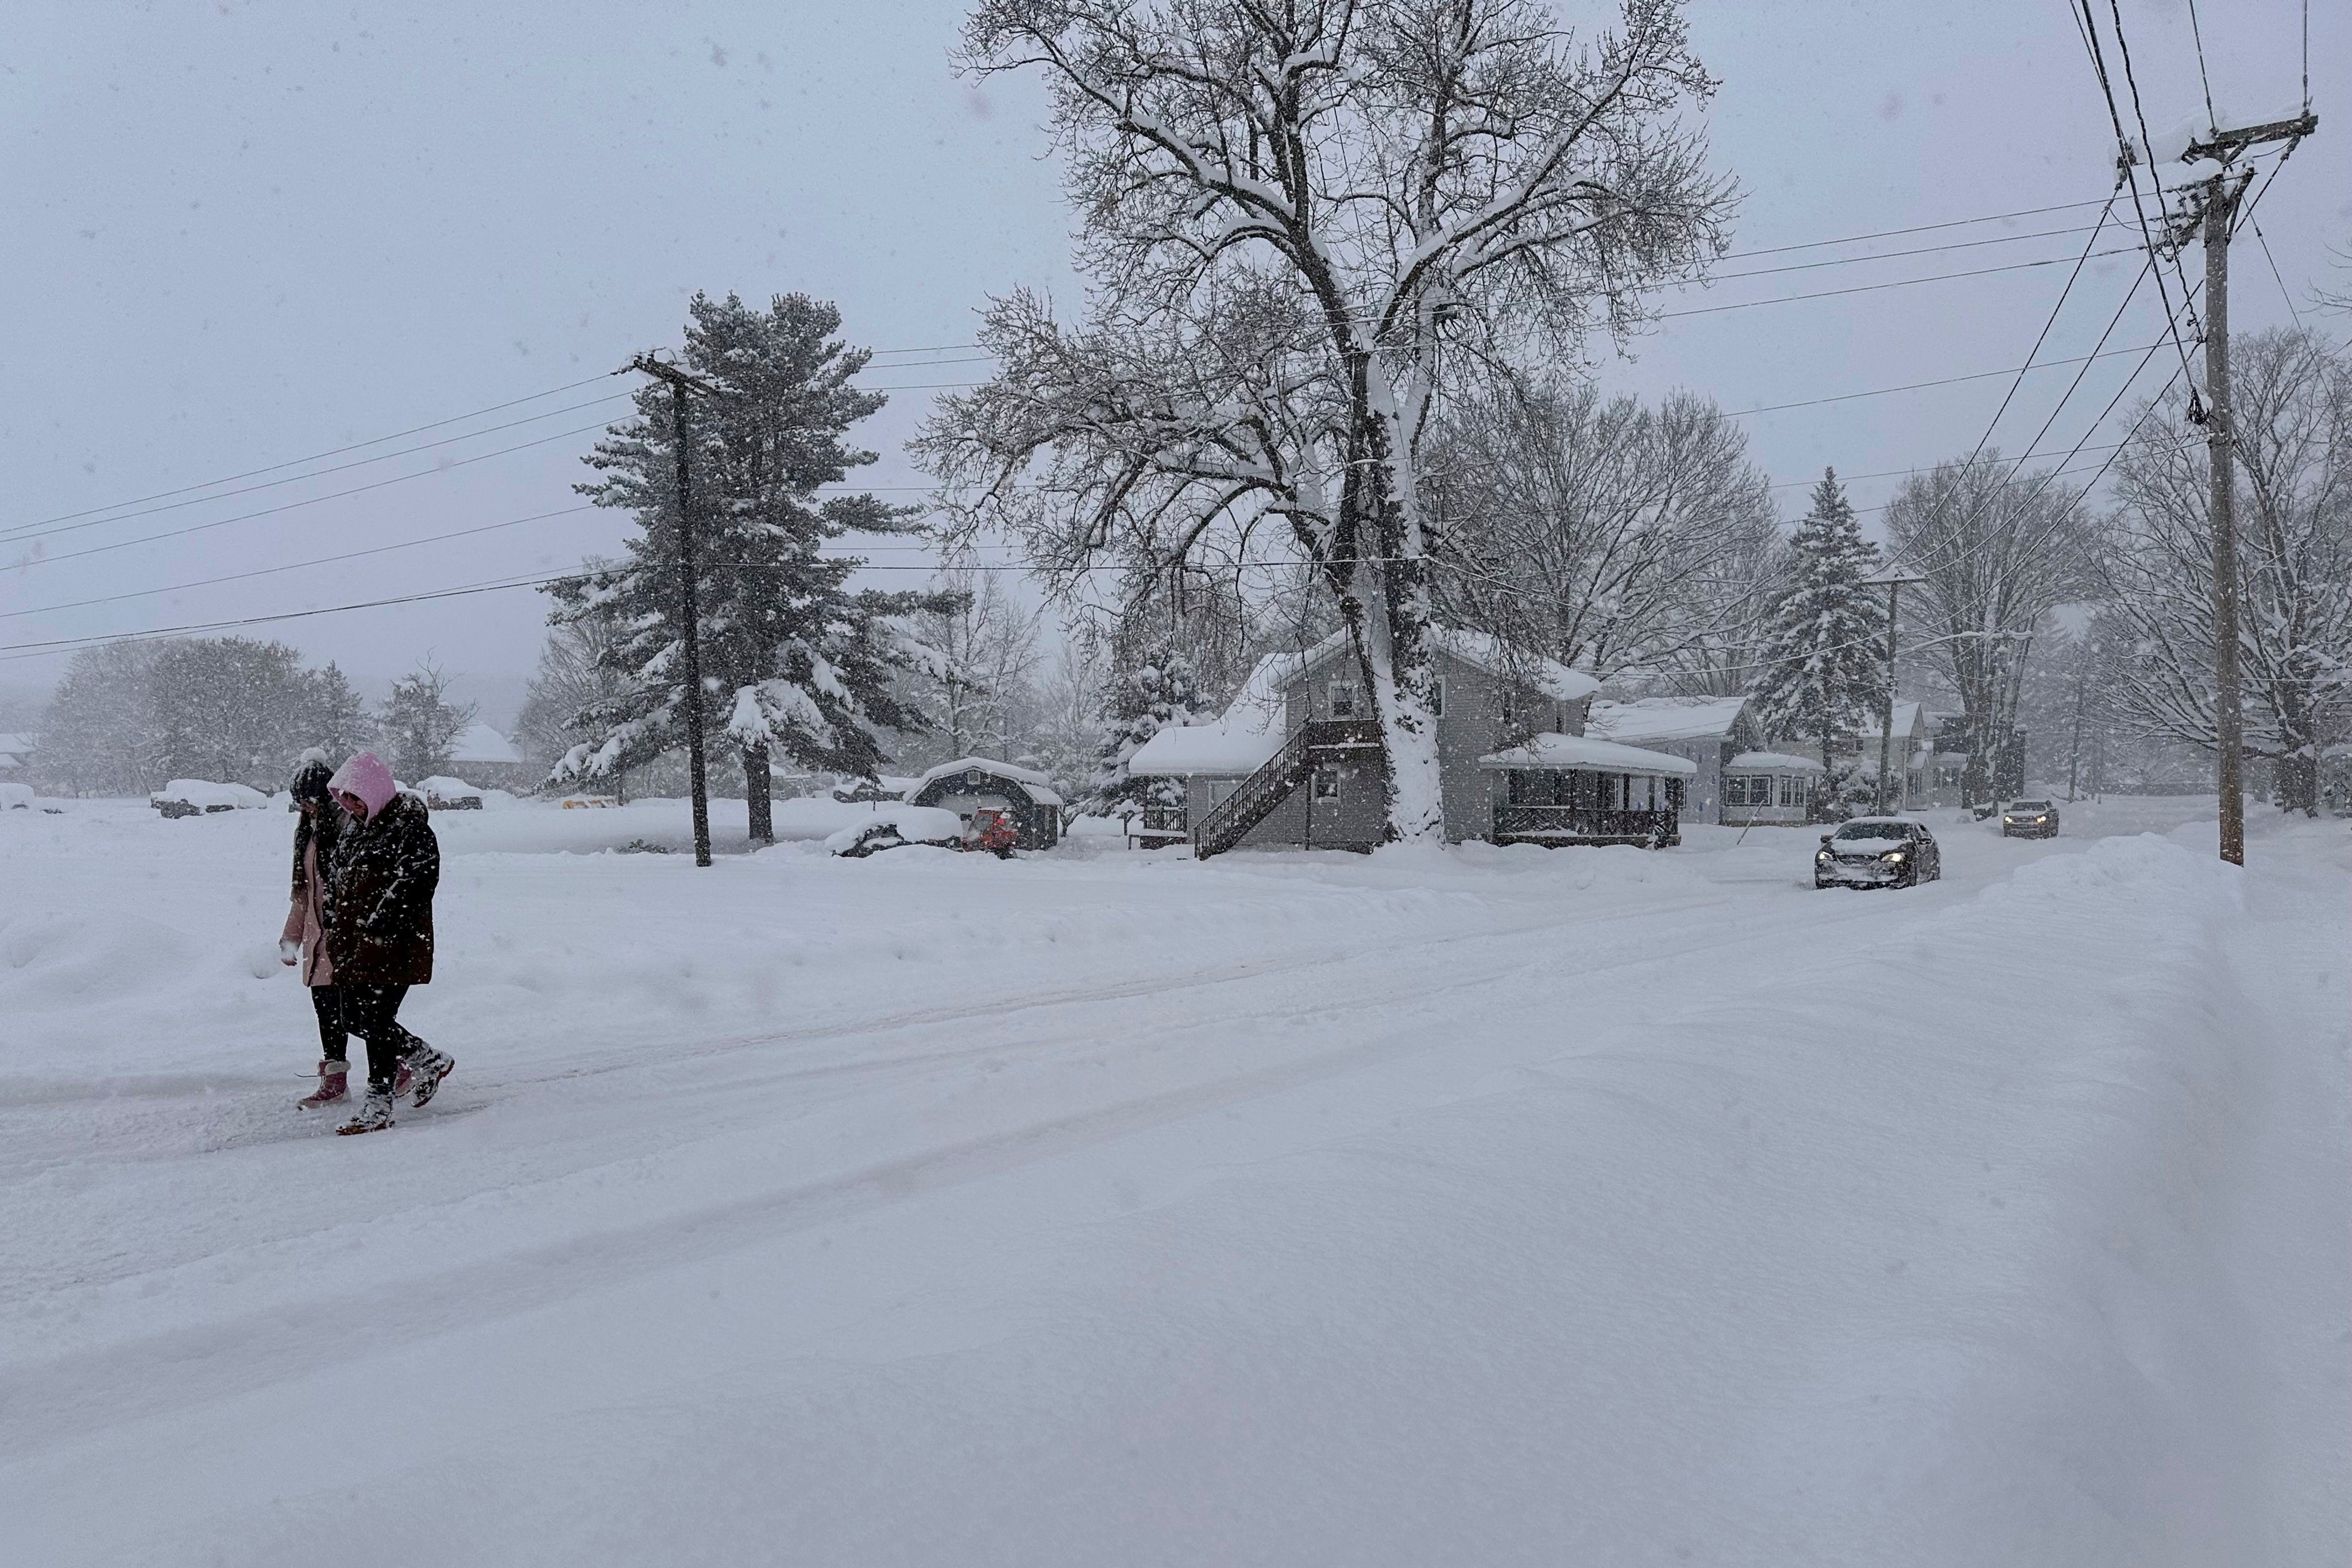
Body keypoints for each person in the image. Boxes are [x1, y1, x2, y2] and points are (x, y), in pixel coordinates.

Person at [322, 751, 455, 1135]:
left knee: (376, 1020)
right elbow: (336, 882)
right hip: (352, 946)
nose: (348, 804)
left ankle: (379, 1104)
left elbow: (416, 883)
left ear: (375, 791)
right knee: (352, 1019)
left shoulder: (409, 828)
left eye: (355, 796)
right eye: (343, 797)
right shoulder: (353, 830)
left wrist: (378, 926)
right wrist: (334, 924)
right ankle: (427, 1059)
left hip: (394, 946)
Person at [279, 751, 359, 1106]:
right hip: (318, 944)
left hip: (344, 940)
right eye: (301, 803)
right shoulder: (308, 837)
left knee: (357, 1014)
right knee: (327, 1014)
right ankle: (334, 1080)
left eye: (310, 801)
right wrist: (290, 939)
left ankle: (403, 1062)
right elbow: (303, 895)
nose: (306, 809)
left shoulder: (346, 830)